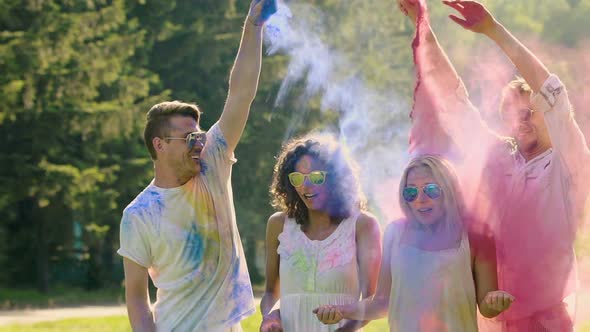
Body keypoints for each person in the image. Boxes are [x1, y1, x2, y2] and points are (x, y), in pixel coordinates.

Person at [399, 0, 590, 330]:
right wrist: (423, 26)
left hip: (545, 321)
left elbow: (553, 94)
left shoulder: (567, 163)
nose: (522, 121)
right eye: (513, 115)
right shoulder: (498, 156)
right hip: (487, 318)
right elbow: (451, 100)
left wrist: (493, 31)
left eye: (531, 112)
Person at [116, 1, 276, 331]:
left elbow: (241, 93)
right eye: (188, 138)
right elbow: (136, 296)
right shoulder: (139, 214)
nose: (199, 143)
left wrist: (254, 26)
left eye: (200, 135)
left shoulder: (212, 165)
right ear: (159, 145)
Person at [314, 155, 514, 331]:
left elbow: (486, 308)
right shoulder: (394, 233)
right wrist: (340, 310)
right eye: (411, 192)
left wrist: (494, 301)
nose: (420, 199)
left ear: (450, 190)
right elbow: (382, 302)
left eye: (431, 190)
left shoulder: (477, 236)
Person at [259, 133, 382, 332]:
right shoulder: (278, 224)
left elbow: (373, 300)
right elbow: (271, 293)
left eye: (316, 177)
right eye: (297, 177)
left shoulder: (363, 225)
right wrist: (270, 317)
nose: (305, 185)